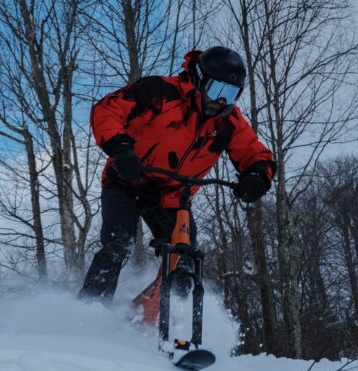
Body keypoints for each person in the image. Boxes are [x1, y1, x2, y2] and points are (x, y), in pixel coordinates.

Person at [79, 46, 275, 303]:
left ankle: (160, 320)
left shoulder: (229, 122)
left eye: (231, 94)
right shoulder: (159, 92)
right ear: (199, 78)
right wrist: (122, 148)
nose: (221, 101)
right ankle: (89, 311)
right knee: (117, 246)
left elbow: (256, 155)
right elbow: (107, 110)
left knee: (184, 259)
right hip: (127, 180)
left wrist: (257, 177)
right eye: (217, 90)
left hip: (171, 196)